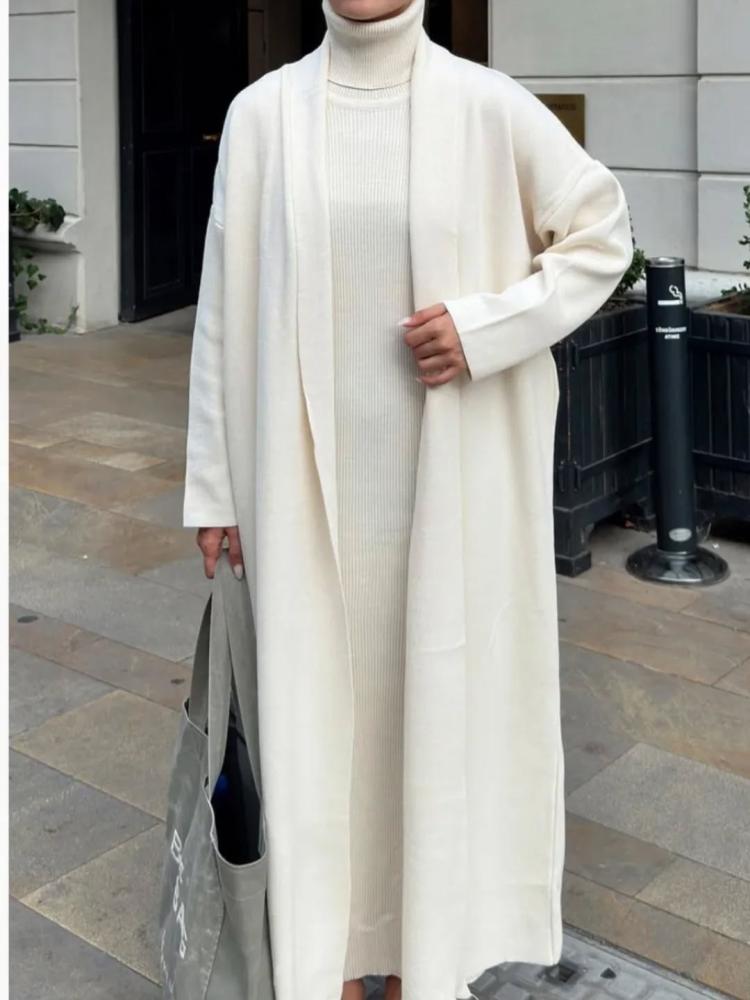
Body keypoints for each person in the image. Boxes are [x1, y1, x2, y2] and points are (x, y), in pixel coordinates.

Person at [185, 1, 633, 998]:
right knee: (317, 738)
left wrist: (487, 327)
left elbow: (602, 232)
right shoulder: (263, 115)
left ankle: (419, 965)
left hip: (445, 504)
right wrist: (214, 482)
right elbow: (223, 304)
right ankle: (330, 965)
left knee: (426, 733)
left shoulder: (487, 106)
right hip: (303, 501)